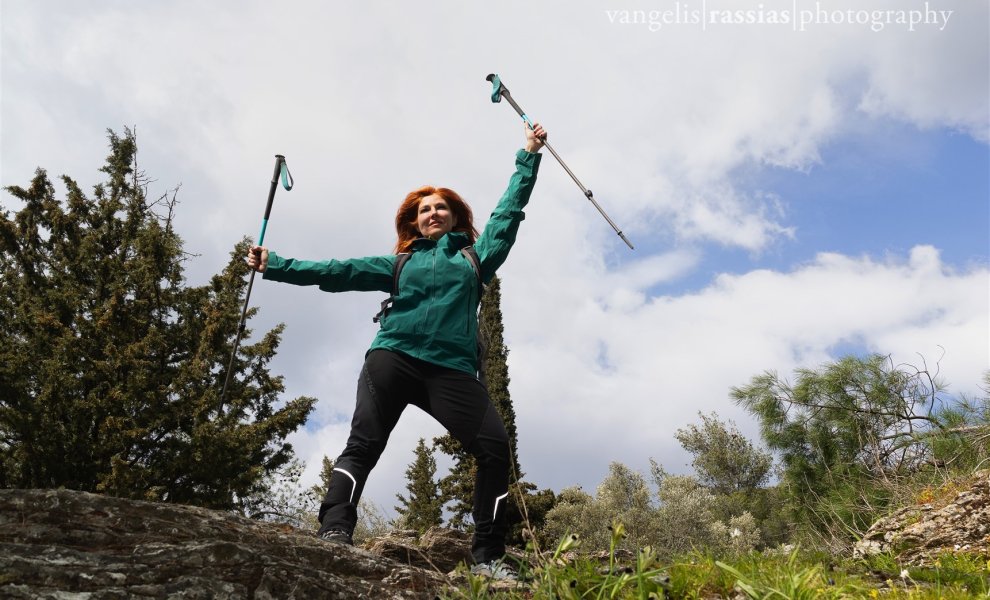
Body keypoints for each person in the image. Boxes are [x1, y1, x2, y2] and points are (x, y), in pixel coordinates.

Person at [246, 123, 546, 579]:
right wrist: (276, 264)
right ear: (414, 221)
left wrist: (528, 156)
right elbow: (338, 270)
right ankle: (334, 531)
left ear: (455, 218)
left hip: (452, 370)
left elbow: (507, 214)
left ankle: (488, 557)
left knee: (494, 447)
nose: (433, 213)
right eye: (425, 209)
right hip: (393, 357)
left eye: (441, 207)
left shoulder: (475, 258)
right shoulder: (400, 262)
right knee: (363, 443)